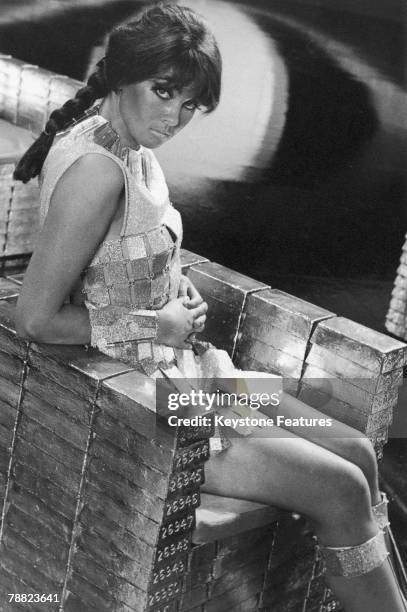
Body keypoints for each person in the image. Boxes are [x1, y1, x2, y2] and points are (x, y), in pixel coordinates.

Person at [13, 4, 405, 611]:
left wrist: (175, 285)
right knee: (344, 485)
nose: (175, 116)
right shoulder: (96, 168)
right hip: (159, 403)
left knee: (354, 448)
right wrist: (157, 323)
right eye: (164, 91)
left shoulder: (121, 143)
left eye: (191, 104)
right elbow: (35, 319)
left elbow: (118, 259)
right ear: (121, 76)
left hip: (198, 378)